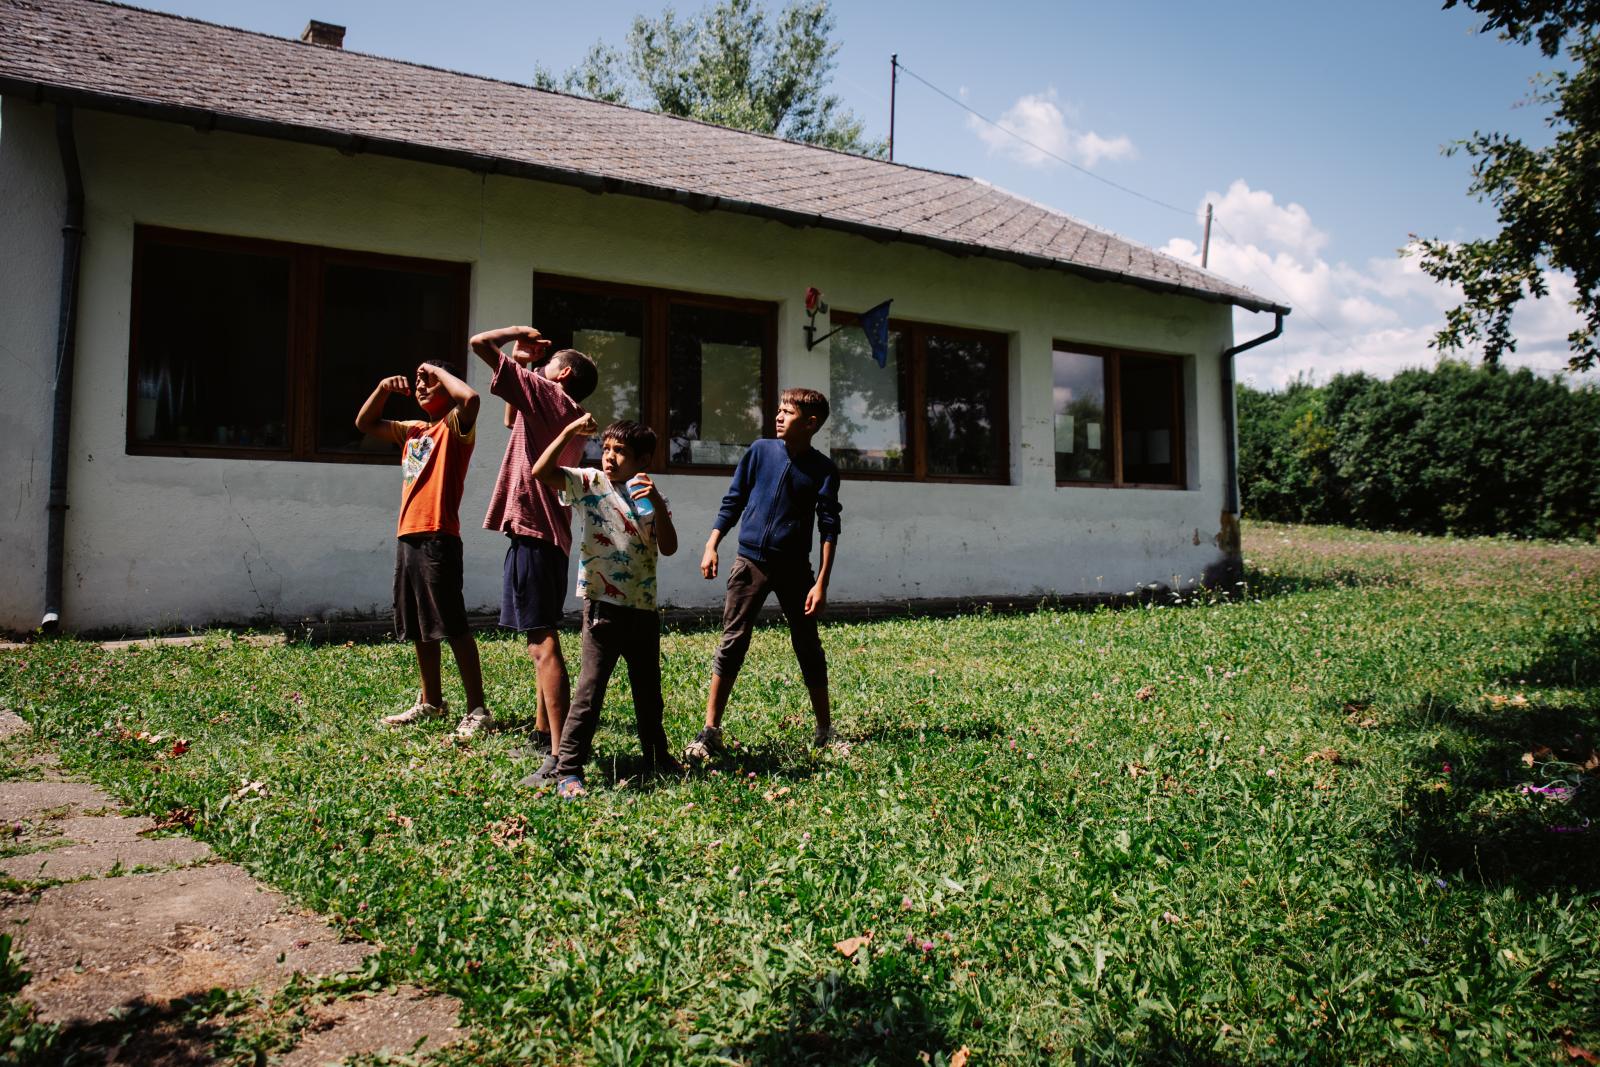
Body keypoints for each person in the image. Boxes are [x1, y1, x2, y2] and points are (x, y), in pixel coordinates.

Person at [530, 413, 681, 797]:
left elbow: (669, 546)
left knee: (649, 693)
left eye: (621, 452)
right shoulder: (590, 483)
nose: (609, 457)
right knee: (590, 690)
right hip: (603, 608)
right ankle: (569, 769)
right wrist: (567, 433)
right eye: (607, 449)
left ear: (643, 460)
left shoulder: (650, 497)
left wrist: (659, 507)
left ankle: (657, 757)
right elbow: (540, 471)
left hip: (643, 610)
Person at [687, 388, 841, 762]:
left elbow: (829, 526)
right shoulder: (759, 451)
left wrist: (821, 583)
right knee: (732, 641)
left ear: (810, 423)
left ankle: (825, 730)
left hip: (794, 569)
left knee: (808, 645)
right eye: (778, 410)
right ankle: (710, 732)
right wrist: (712, 543)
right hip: (750, 562)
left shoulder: (823, 469)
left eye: (787, 412)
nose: (778, 416)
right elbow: (734, 499)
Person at [471, 326, 598, 763]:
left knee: (541, 644)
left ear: (560, 375)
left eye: (547, 364)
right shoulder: (560, 407)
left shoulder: (549, 397)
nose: (538, 368)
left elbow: (479, 344)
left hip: (534, 530)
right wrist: (525, 361)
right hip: (549, 533)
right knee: (541, 635)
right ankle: (545, 735)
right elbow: (511, 419)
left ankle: (563, 755)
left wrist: (515, 337)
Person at [355, 361, 490, 737]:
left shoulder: (454, 427)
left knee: (452, 623)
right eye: (417, 382)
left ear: (447, 388)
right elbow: (365, 424)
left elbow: (472, 398)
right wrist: (383, 388)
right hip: (408, 535)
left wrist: (436, 369)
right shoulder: (413, 430)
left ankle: (477, 708)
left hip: (438, 536)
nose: (421, 385)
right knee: (419, 626)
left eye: (429, 381)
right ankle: (432, 702)